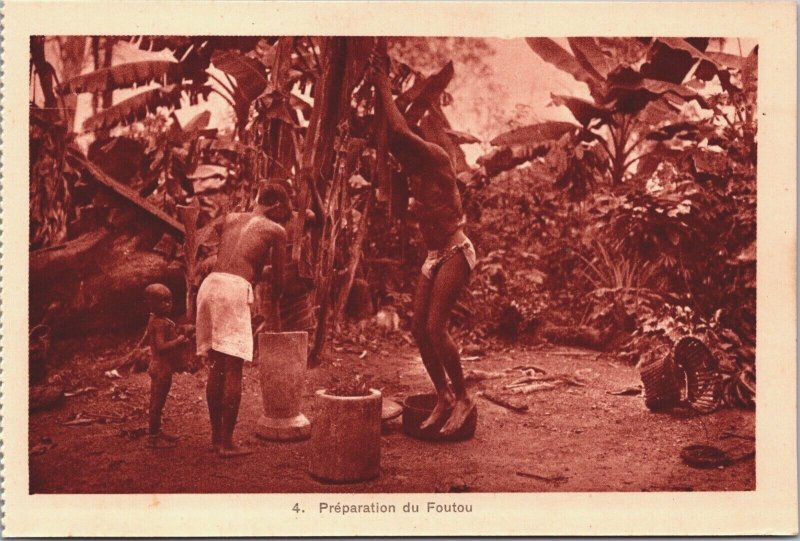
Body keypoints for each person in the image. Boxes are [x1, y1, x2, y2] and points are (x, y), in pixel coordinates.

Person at [371, 55, 477, 436]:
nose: (399, 155)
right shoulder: (412, 173)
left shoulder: (436, 158)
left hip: (456, 249)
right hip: (434, 256)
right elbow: (390, 140)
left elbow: (399, 134)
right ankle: (444, 396)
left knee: (436, 327)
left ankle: (464, 397)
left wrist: (382, 85)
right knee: (418, 328)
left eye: (404, 149)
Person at [196, 188, 287, 457]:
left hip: (210, 285)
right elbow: (279, 279)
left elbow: (234, 257)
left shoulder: (232, 217)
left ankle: (215, 439)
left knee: (216, 365)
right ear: (277, 206)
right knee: (233, 368)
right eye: (285, 211)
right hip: (233, 291)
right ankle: (227, 443)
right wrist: (277, 295)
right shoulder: (275, 230)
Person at [144, 283, 191, 448]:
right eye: (163, 301)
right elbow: (161, 347)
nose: (168, 304)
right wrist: (178, 341)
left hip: (162, 368)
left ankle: (157, 431)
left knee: (158, 403)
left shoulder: (160, 320)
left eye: (169, 301)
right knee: (156, 405)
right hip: (161, 368)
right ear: (152, 304)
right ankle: (153, 438)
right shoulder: (158, 323)